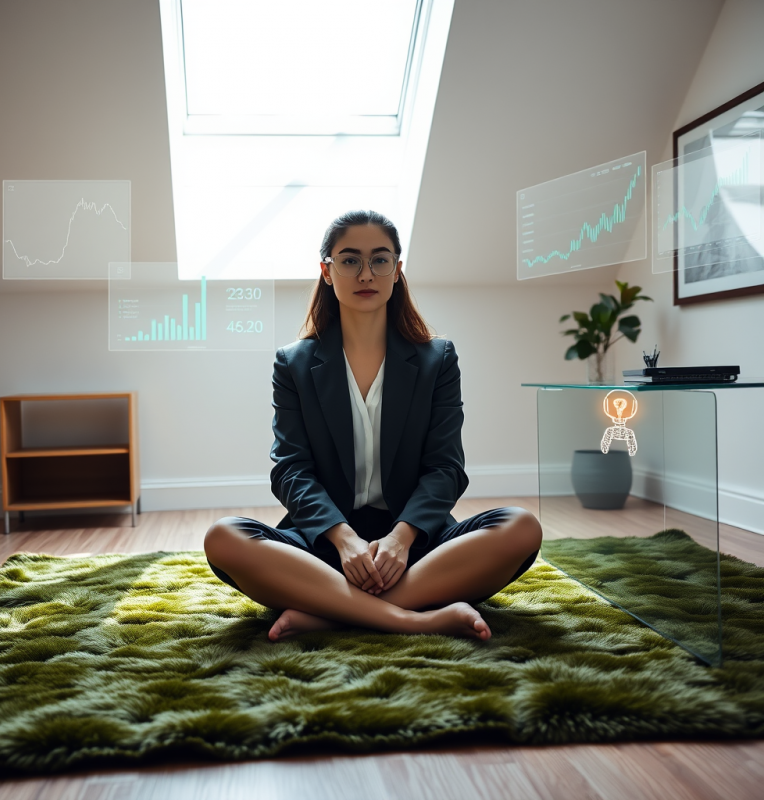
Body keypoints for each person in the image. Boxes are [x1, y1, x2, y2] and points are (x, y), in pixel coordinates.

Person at [204, 210, 542, 643]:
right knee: (224, 538)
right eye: (349, 260)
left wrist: (401, 539)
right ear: (326, 271)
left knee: (522, 527)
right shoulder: (293, 364)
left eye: (380, 260)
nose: (366, 273)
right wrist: (344, 539)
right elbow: (290, 470)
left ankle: (329, 611)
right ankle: (412, 617)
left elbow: (446, 468)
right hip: (326, 545)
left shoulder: (437, 360)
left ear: (398, 271)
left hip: (415, 545)